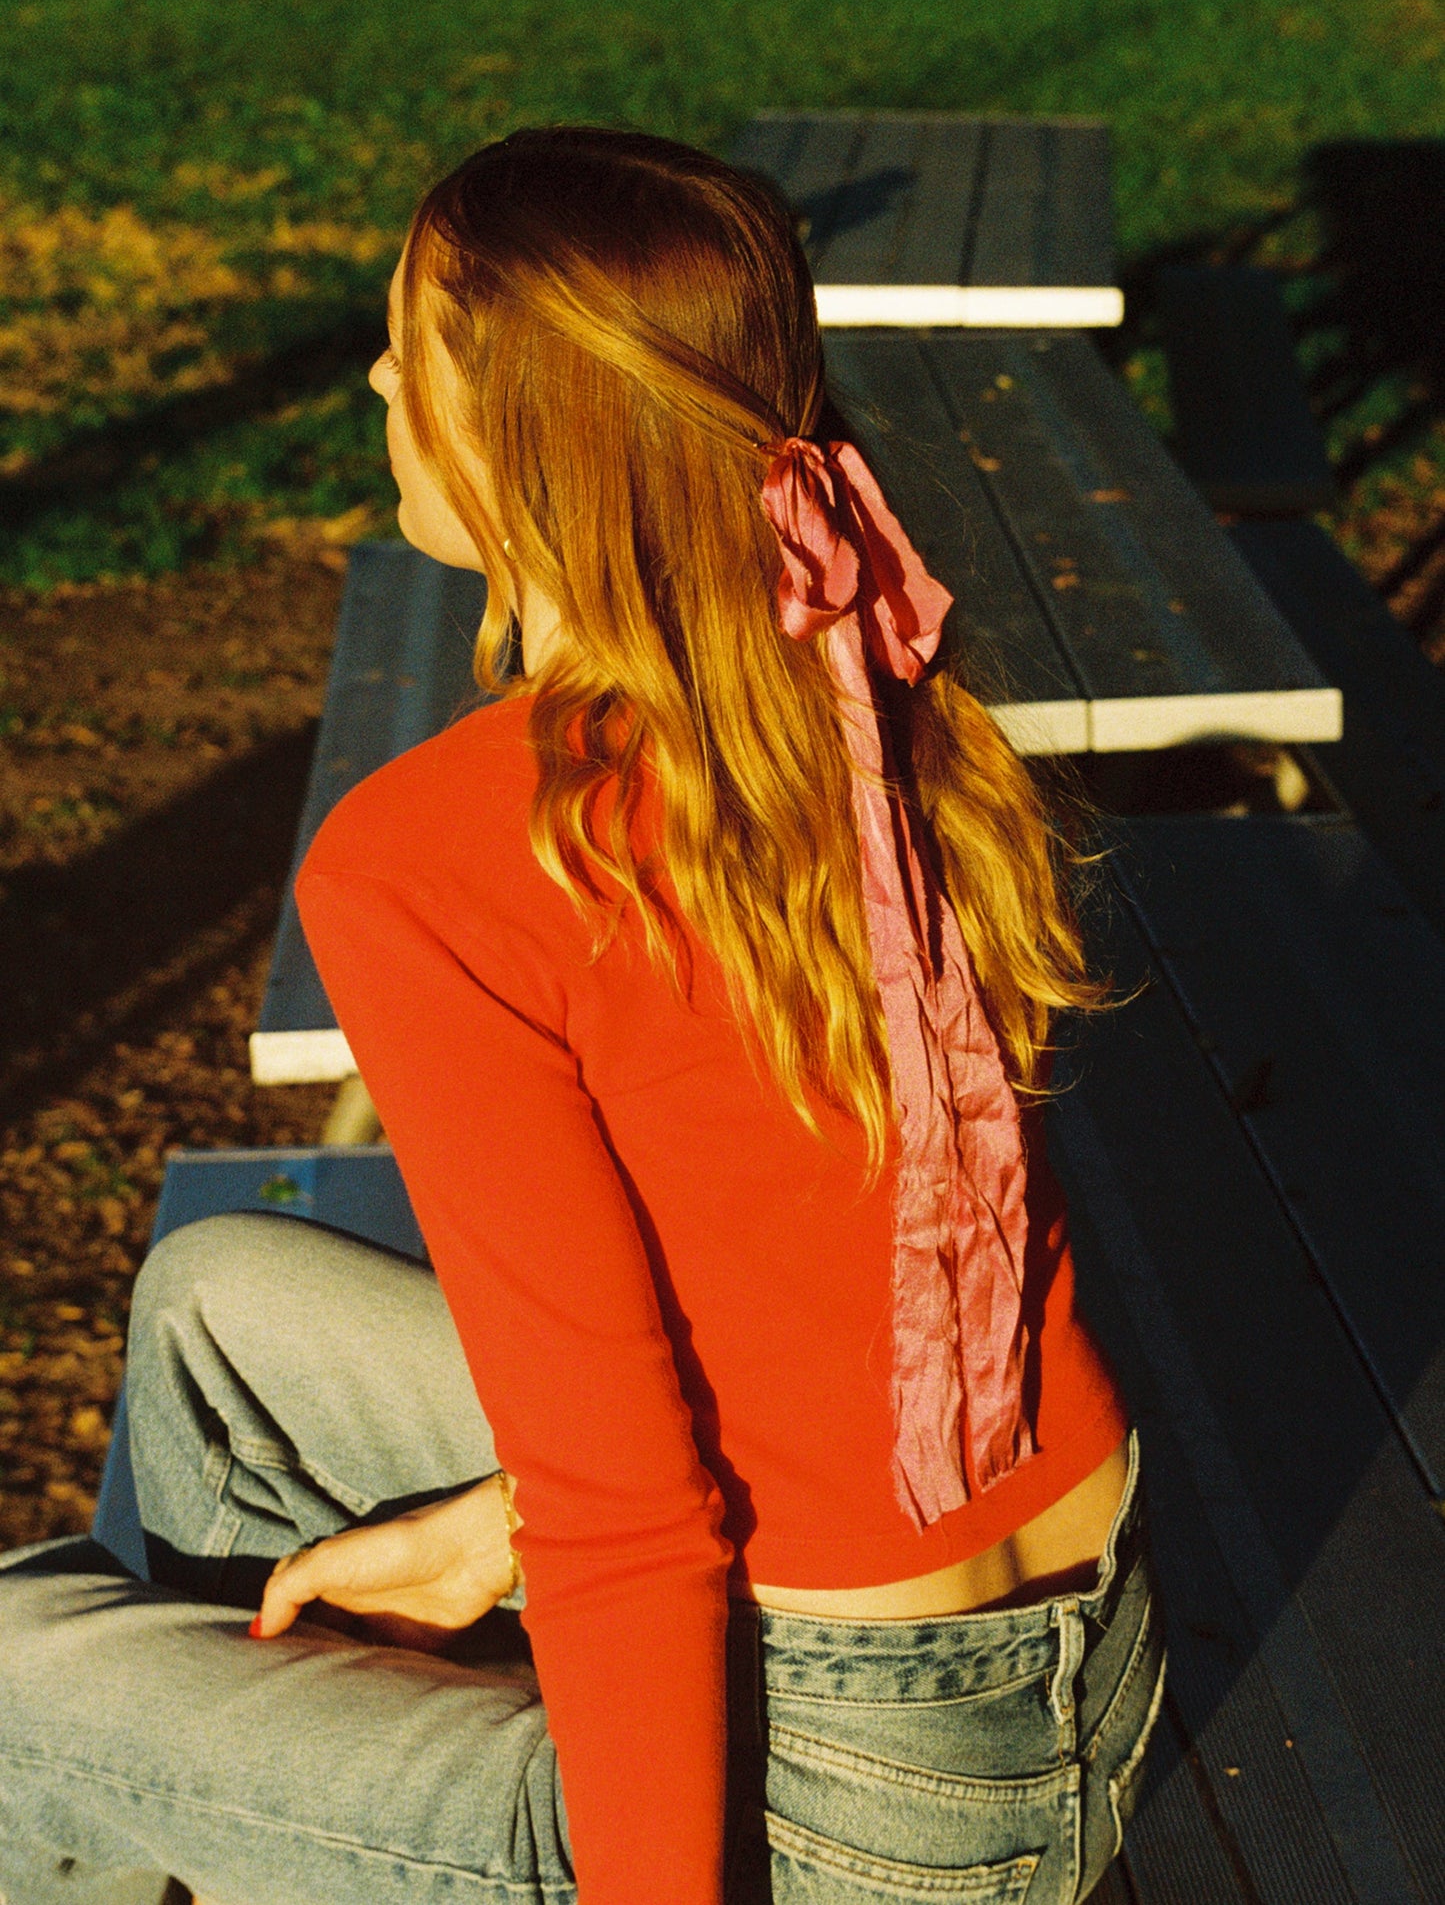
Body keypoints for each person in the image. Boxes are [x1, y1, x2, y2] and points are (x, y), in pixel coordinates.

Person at [0, 127, 1163, 1905]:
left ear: (525, 432)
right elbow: (829, 1283)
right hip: (1086, 1665)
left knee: (19, 1678)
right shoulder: (845, 681)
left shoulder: (431, 860)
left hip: (855, 1810)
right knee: (219, 1300)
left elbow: (628, 1523)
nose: (378, 378)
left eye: (411, 352)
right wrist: (495, 1526)